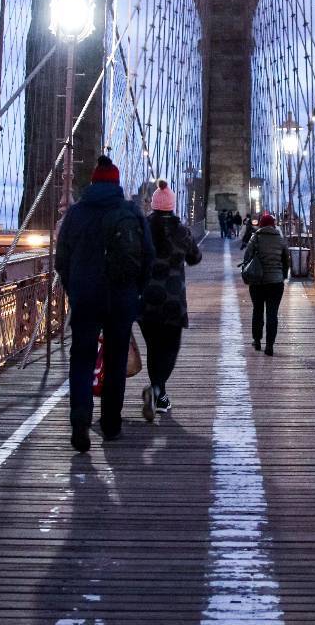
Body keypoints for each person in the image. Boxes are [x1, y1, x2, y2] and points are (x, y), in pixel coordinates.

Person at [55, 155, 154, 452]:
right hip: (121, 298)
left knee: (82, 359)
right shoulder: (131, 212)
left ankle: (80, 422)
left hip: (86, 297)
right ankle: (111, 424)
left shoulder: (76, 214)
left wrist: (75, 290)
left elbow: (62, 260)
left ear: (93, 182)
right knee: (115, 359)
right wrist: (136, 292)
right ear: (117, 183)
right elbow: (148, 257)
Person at [139, 179, 202, 420]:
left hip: (145, 301)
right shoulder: (181, 231)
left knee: (154, 348)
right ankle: (156, 390)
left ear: (153, 206)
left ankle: (160, 396)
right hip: (173, 301)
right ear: (172, 206)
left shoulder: (142, 227)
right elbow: (195, 258)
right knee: (170, 350)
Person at [242, 212, 290, 356]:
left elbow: (247, 258)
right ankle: (269, 345)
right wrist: (282, 276)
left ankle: (257, 340)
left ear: (261, 225)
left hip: (257, 281)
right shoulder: (280, 240)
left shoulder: (255, 238)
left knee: (257, 310)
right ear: (273, 225)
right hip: (275, 283)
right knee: (272, 313)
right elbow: (286, 261)